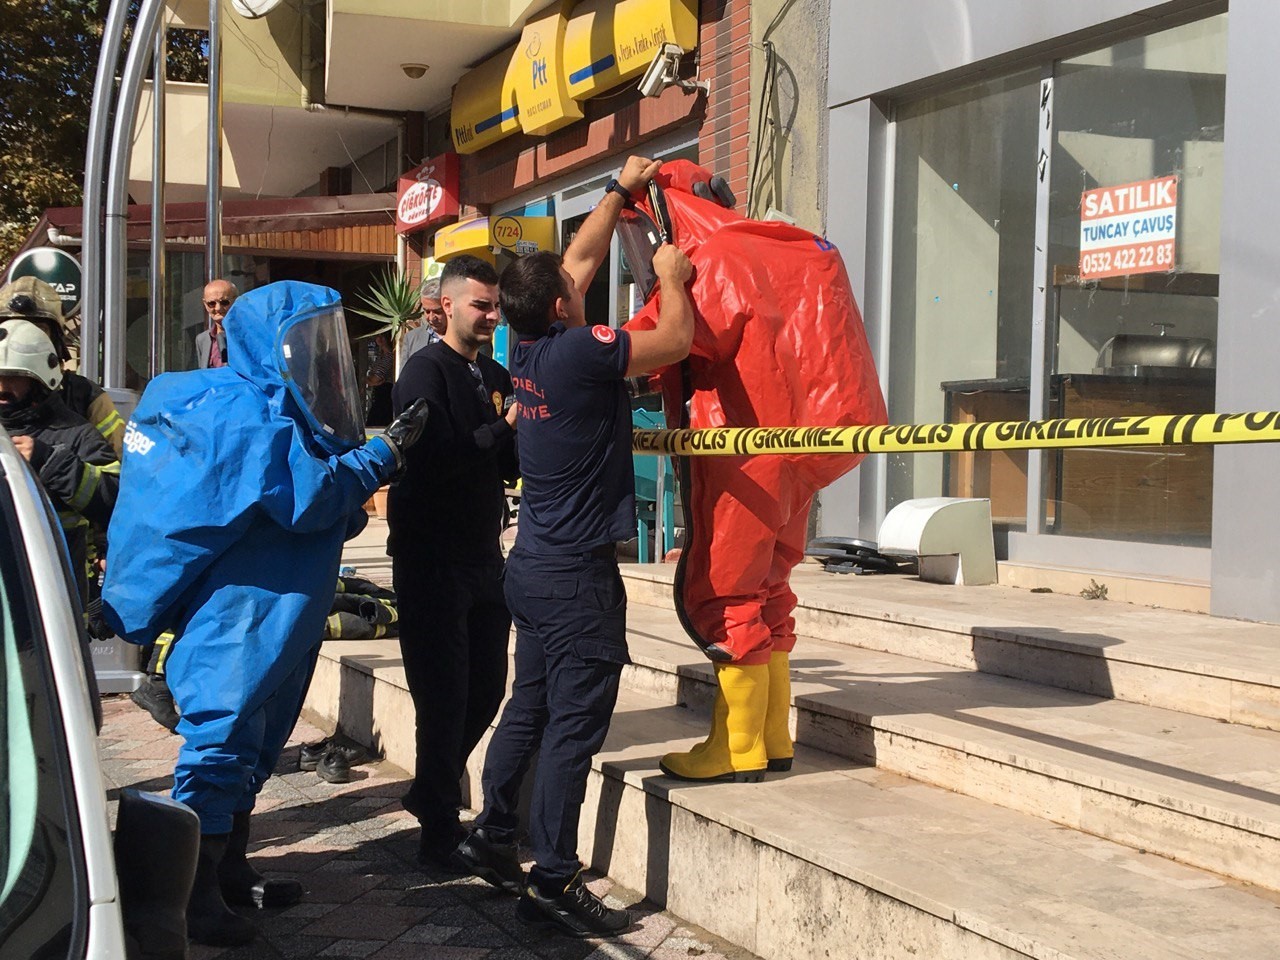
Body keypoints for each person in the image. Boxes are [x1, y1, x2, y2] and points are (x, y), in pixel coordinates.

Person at [102, 281, 429, 947]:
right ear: (265, 343)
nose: (320, 356)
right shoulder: (246, 412)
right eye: (306, 341)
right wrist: (384, 454)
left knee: (251, 742)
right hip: (243, 606)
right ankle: (190, 896)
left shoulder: (272, 407)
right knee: (222, 738)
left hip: (278, 603)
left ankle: (226, 871)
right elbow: (307, 496)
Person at [453, 157, 694, 938]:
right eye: (569, 285)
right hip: (576, 579)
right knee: (573, 728)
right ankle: (554, 879)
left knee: (530, 704)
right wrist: (672, 275)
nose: (578, 277)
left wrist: (619, 188)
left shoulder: (526, 345)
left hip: (531, 567)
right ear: (561, 305)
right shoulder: (583, 350)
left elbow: (580, 259)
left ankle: (494, 832)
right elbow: (675, 338)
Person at [616, 161, 886, 784]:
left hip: (738, 450)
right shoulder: (787, 247)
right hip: (804, 446)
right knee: (770, 590)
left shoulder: (714, 258)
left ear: (666, 215)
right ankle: (771, 738)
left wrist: (574, 352)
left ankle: (736, 748)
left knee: (726, 591)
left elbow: (655, 340)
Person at [386, 254, 519, 869]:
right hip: (430, 559)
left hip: (483, 557)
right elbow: (432, 459)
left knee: (486, 689)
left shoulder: (494, 373)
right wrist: (501, 430)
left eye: (496, 307)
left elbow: (504, 463)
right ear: (446, 305)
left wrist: (522, 432)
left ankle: (429, 792)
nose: (491, 317)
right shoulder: (423, 372)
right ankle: (437, 829)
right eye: (480, 305)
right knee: (441, 697)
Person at [0, 319, 119, 607]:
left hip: (53, 598)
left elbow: (116, 500)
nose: (2, 386)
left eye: (13, 377)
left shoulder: (76, 433)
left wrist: (51, 461)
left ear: (39, 380)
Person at [0, 276, 126, 456]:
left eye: (38, 329)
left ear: (57, 339)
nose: (24, 339)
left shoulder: (86, 396)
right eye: (11, 326)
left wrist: (52, 459)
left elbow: (118, 464)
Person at [398, 276, 446, 368]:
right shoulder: (411, 338)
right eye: (427, 311)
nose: (431, 318)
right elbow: (404, 375)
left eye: (437, 312)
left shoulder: (465, 338)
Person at [193, 278, 236, 369]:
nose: (218, 308)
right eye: (212, 303)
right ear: (205, 304)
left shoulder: (248, 335)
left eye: (224, 302)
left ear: (236, 301)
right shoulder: (202, 339)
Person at [364, 332, 395, 425]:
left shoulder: (390, 356)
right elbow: (371, 378)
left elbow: (375, 378)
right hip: (378, 393)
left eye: (381, 337)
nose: (378, 340)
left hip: (385, 394)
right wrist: (369, 380)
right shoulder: (380, 357)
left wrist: (371, 380)